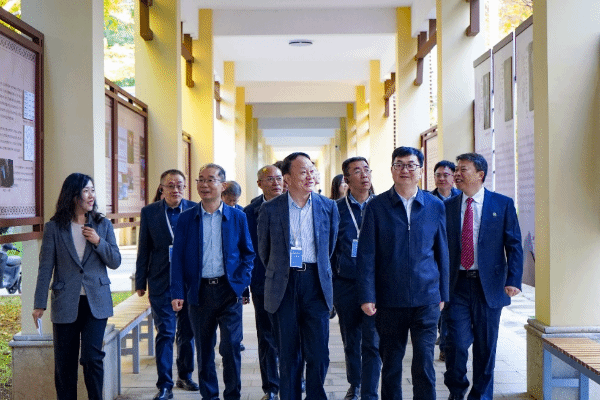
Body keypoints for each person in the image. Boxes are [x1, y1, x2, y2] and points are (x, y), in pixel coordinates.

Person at [358, 146, 449, 400]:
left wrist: (443, 293)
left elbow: (443, 252)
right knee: (391, 364)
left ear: (420, 171)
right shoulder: (376, 207)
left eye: (410, 165)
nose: (404, 170)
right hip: (389, 299)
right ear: (391, 170)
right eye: (399, 165)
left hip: (426, 298)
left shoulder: (435, 206)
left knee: (424, 363)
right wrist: (367, 295)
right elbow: (366, 255)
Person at [258, 152, 339, 400]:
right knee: (288, 353)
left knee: (319, 353)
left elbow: (330, 248)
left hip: (315, 283)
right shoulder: (271, 209)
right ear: (287, 178)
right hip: (284, 285)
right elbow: (264, 251)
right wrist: (282, 271)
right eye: (303, 172)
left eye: (312, 170)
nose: (310, 176)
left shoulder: (328, 206)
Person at [33, 173, 121, 400]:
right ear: (73, 195)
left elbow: (115, 261)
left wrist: (98, 242)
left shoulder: (102, 225)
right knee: (65, 363)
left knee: (92, 357)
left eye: (93, 190)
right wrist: (39, 303)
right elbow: (45, 267)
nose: (91, 196)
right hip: (65, 301)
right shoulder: (54, 227)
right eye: (86, 191)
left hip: (96, 302)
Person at [170, 163, 254, 400]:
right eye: (200, 179)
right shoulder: (186, 218)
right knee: (204, 349)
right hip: (199, 293)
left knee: (231, 346)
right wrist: (177, 292)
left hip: (229, 291)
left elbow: (248, 254)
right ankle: (210, 396)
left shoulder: (237, 217)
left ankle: (233, 395)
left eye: (210, 180)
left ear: (222, 185)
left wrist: (241, 282)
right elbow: (177, 258)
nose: (204, 185)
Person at [443, 153, 523, 400]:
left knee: (486, 347)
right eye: (456, 169)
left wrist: (513, 279)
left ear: (480, 174)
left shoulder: (502, 204)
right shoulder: (447, 207)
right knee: (456, 344)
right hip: (456, 285)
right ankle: (456, 392)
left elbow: (514, 245)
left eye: (463, 169)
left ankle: (481, 396)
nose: (457, 174)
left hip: (489, 286)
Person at [135, 169, 199, 400]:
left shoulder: (195, 209)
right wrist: (140, 280)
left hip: (189, 281)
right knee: (166, 332)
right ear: (161, 188)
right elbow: (144, 248)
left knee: (187, 333)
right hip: (161, 280)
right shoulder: (150, 212)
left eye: (180, 185)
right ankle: (164, 385)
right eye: (170, 185)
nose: (175, 190)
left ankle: (185, 375)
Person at [332, 157, 381, 400]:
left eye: (367, 170)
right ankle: (356, 384)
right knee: (351, 339)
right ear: (346, 179)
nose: (364, 175)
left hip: (375, 285)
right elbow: (330, 250)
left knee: (372, 341)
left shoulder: (382, 206)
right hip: (346, 284)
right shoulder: (335, 209)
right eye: (357, 171)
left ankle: (369, 391)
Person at [243, 165, 284, 400]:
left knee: (291, 334)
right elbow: (245, 250)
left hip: (290, 283)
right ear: (260, 184)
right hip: (262, 283)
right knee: (266, 336)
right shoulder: (249, 212)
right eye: (270, 179)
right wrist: (245, 285)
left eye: (279, 178)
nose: (276, 183)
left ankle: (293, 378)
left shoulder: (294, 205)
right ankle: (271, 387)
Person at [430, 160, 461, 362]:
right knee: (440, 302)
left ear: (453, 177)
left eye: (446, 175)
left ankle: (446, 343)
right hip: (434, 259)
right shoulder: (427, 199)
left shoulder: (461, 198)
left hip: (456, 259)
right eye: (438, 175)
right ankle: (443, 339)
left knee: (451, 303)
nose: (442, 178)